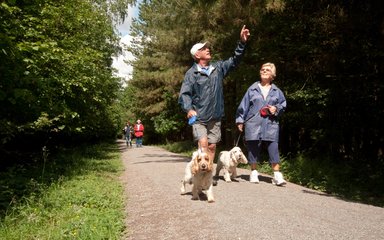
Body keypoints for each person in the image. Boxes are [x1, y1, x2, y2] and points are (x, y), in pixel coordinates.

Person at [178, 25, 250, 166]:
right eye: (204, 49)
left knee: (212, 146)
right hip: (199, 116)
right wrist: (189, 109)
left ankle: (208, 172)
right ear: (197, 55)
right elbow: (184, 94)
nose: (208, 49)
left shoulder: (218, 68)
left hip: (215, 115)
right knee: (203, 143)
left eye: (207, 48)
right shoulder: (191, 74)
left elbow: (234, 60)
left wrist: (242, 42)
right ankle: (202, 171)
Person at [235, 62, 287, 186]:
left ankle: (277, 175)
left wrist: (276, 109)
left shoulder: (277, 91)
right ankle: (253, 172)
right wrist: (240, 120)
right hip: (253, 122)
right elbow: (244, 105)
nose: (264, 71)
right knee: (253, 147)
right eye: (262, 69)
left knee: (273, 147)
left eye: (267, 70)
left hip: (270, 123)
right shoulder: (252, 89)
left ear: (272, 75)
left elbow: (283, 105)